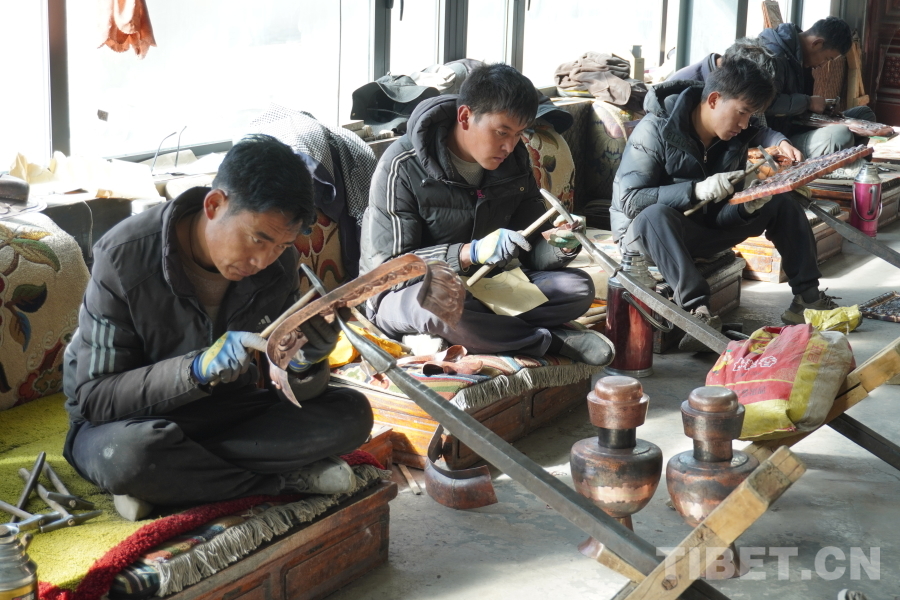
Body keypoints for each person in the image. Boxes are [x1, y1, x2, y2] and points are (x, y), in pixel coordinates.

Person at [63, 134, 373, 520]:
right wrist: (195, 369)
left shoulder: (279, 265)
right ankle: (282, 480)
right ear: (214, 205)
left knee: (352, 414)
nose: (263, 260)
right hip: (130, 423)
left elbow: (279, 386)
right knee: (129, 456)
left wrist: (304, 362)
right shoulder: (122, 257)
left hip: (227, 410)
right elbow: (95, 397)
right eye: (257, 239)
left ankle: (171, 480)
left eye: (280, 245)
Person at [359, 63, 613, 365]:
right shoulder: (401, 166)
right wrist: (470, 252)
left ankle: (478, 332)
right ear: (465, 117)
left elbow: (532, 247)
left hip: (483, 285)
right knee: (441, 305)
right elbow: (389, 272)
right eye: (501, 132)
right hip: (405, 294)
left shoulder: (514, 160)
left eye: (518, 134)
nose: (509, 146)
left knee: (576, 288)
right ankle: (549, 341)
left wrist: (561, 244)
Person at [611, 56, 845, 352]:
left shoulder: (735, 136)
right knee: (654, 215)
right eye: (742, 112)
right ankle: (697, 314)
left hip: (699, 231)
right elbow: (630, 200)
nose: (745, 124)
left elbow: (717, 218)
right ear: (713, 100)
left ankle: (807, 300)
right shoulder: (654, 129)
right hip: (648, 239)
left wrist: (746, 206)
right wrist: (695, 190)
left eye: (751, 115)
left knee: (781, 201)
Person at [759, 16, 877, 157]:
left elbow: (797, 106)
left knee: (865, 116)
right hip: (779, 138)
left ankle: (852, 163)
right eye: (827, 59)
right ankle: (844, 164)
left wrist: (823, 111)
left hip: (796, 125)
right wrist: (808, 102)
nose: (823, 65)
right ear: (817, 44)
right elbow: (766, 105)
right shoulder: (773, 55)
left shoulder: (799, 56)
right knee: (840, 135)